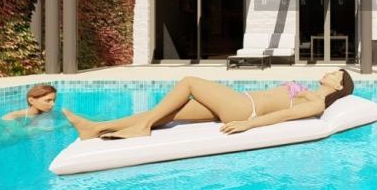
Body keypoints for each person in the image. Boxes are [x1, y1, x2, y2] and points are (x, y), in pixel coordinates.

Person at [63, 70, 355, 140]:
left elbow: (283, 116)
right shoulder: (309, 90)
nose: (330, 73)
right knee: (167, 112)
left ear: (339, 87)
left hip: (244, 109)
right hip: (240, 102)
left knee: (189, 82)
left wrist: (249, 124)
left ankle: (142, 128)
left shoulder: (316, 102)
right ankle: (95, 128)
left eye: (336, 75)